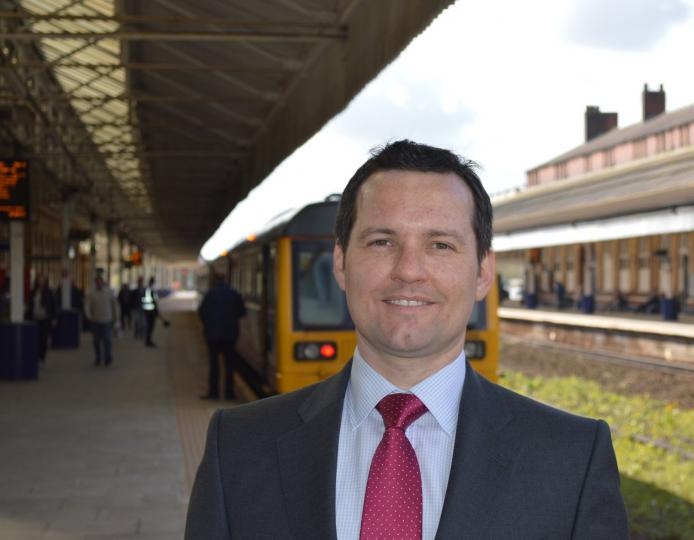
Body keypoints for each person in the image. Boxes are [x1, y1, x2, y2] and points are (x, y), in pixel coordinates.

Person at [184, 140, 628, 539]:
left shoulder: (573, 459)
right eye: (381, 242)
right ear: (341, 263)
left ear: (483, 272)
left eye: (440, 245)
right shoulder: (237, 448)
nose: (409, 270)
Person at [197, 273, 246, 400]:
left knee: (214, 365)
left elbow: (201, 312)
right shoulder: (234, 294)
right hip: (230, 336)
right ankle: (229, 393)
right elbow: (242, 312)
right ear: (226, 280)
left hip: (212, 336)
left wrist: (208, 326)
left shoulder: (210, 295)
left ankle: (214, 393)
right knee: (229, 366)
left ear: (214, 281)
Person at [84, 270, 118, 366]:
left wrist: (116, 317)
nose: (99, 283)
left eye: (100, 282)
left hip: (107, 319)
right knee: (96, 341)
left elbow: (114, 305)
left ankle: (108, 357)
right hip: (95, 320)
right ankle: (98, 357)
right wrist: (88, 315)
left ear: (102, 282)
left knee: (107, 340)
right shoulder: (92, 293)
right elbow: (87, 305)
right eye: (97, 282)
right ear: (95, 283)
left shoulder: (108, 292)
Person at [26, 274, 57, 363]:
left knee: (43, 339)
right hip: (35, 318)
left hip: (45, 319)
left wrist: (54, 318)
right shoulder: (33, 292)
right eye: (39, 280)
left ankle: (42, 357)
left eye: (42, 280)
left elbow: (53, 305)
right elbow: (30, 305)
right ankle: (36, 356)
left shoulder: (49, 292)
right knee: (35, 338)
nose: (41, 282)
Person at [141, 276, 169, 347]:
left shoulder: (146, 289)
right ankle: (148, 341)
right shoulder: (151, 290)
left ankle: (148, 340)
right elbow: (153, 302)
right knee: (150, 327)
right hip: (151, 311)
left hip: (146, 310)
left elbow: (144, 300)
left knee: (149, 326)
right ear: (153, 282)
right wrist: (156, 311)